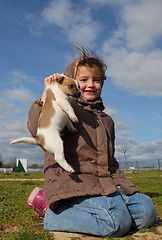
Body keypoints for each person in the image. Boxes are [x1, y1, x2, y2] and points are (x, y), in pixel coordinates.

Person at [27, 45, 157, 237]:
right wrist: (44, 99)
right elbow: (37, 129)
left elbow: (110, 162)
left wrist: (123, 187)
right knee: (116, 223)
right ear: (71, 82)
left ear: (102, 84)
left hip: (105, 184)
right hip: (74, 184)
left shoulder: (107, 120)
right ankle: (51, 213)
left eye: (96, 80)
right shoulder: (65, 108)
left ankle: (106, 212)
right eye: (83, 80)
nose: (90, 85)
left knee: (147, 213)